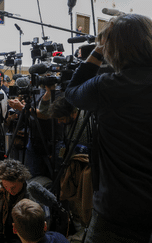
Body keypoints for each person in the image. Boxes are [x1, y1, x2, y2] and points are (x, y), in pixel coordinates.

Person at [64, 14, 152, 243]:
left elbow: (72, 91)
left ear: (113, 48)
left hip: (118, 212)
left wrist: (97, 50)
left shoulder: (108, 87)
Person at [0, 159, 31, 243]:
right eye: (6, 187)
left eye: (13, 187)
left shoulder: (30, 194)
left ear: (21, 180)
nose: (10, 191)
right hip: (5, 234)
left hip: (23, 238)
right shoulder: (0, 188)